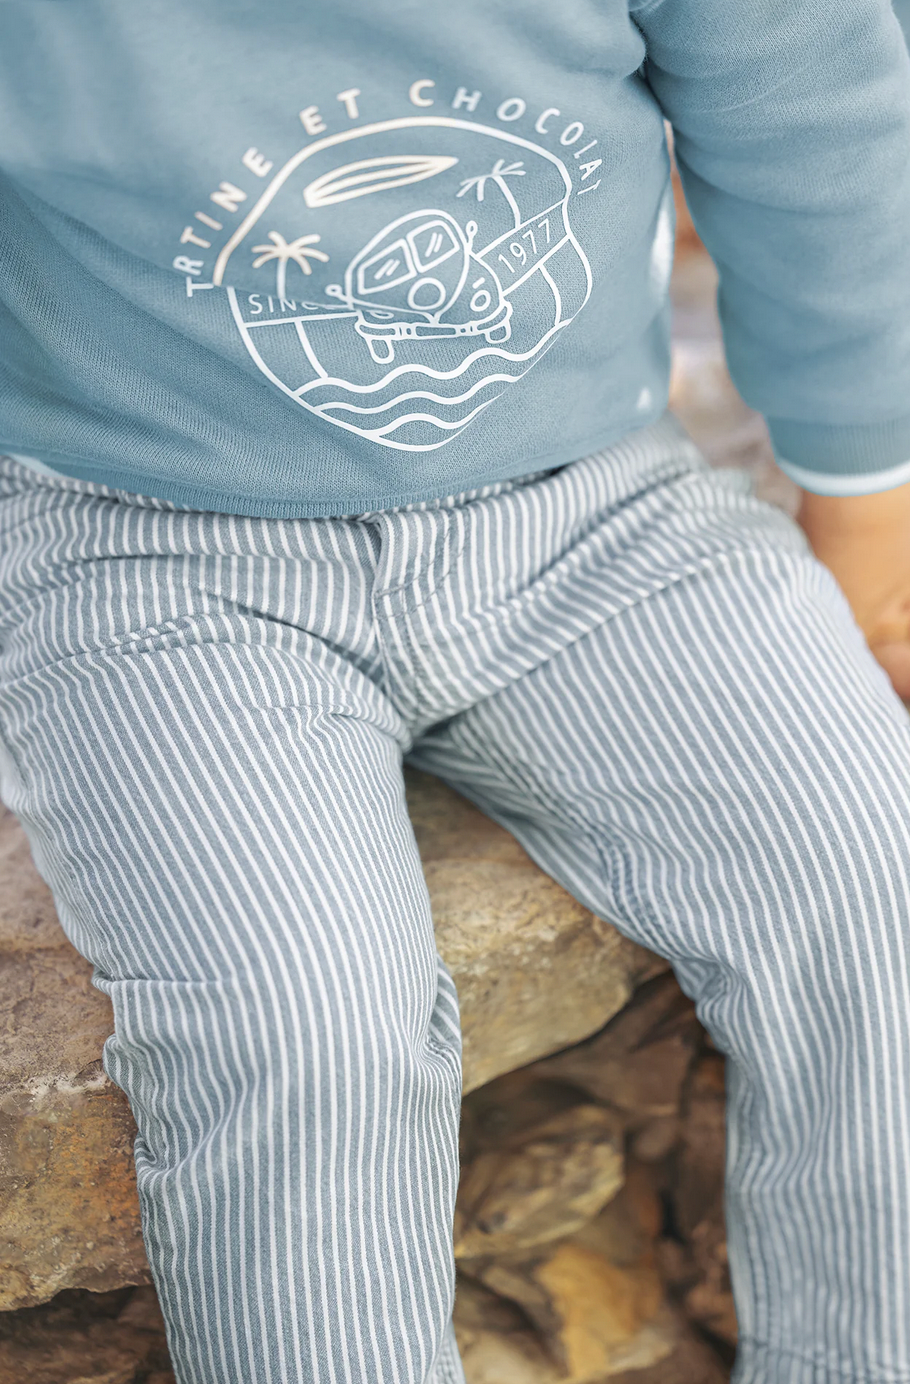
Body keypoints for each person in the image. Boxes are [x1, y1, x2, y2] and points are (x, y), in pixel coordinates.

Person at [1, 2, 910, 1381]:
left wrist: (862, 489)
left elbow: (812, 112)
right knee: (297, 1028)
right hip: (139, 542)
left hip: (593, 504)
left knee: (874, 885)